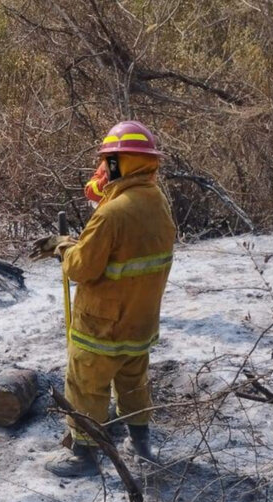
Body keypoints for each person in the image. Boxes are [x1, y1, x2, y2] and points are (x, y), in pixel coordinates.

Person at [39, 121, 176, 477]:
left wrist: (65, 249)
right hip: (140, 322)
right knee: (134, 383)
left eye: (108, 161)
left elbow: (82, 269)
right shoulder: (157, 202)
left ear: (119, 163)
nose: (104, 168)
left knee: (86, 385)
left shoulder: (112, 214)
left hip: (101, 326)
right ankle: (141, 444)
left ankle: (84, 456)